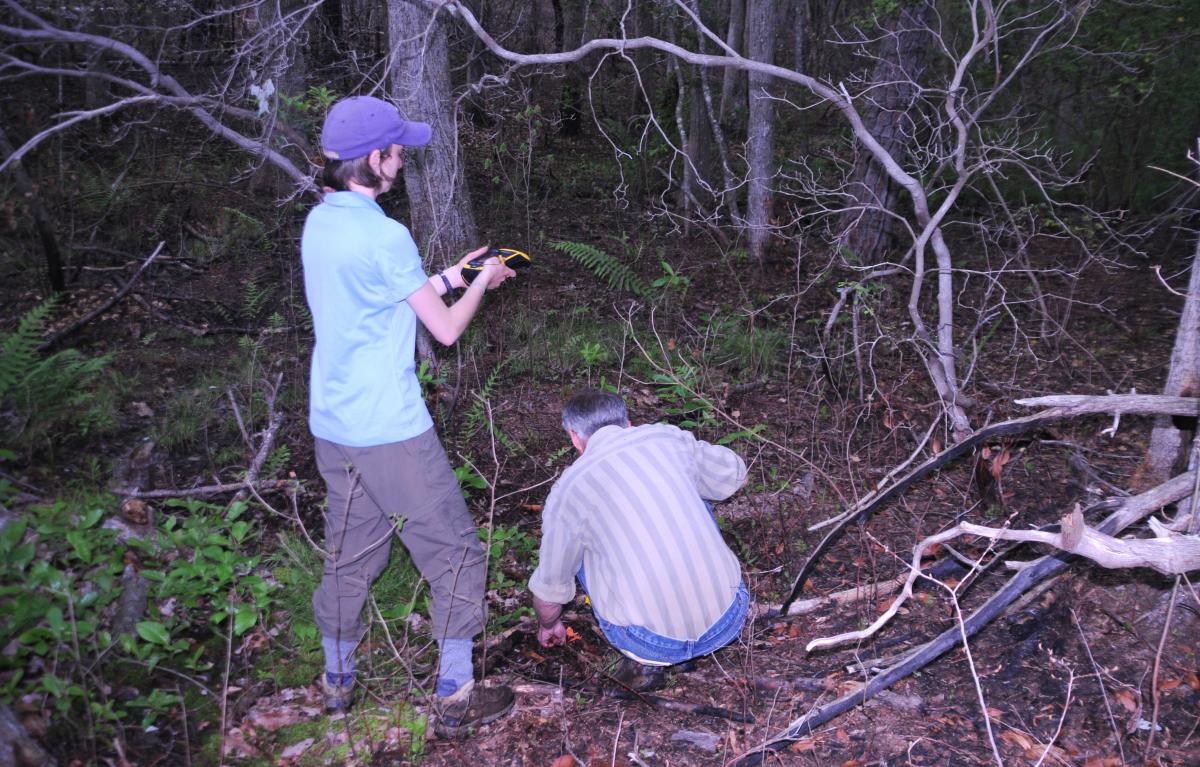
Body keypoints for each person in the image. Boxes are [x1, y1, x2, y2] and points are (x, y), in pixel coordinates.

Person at [301, 95, 516, 736]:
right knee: (454, 551)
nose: (402, 159)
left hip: (333, 424)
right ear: (376, 159)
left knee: (349, 554)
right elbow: (444, 331)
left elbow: (386, 297)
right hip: (389, 428)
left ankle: (337, 682)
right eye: (397, 151)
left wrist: (451, 273)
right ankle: (455, 696)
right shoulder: (385, 233)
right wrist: (484, 281)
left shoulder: (323, 222)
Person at [528, 389, 751, 690]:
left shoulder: (568, 491)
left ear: (574, 437)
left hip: (650, 643)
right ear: (628, 421)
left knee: (577, 551)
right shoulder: (668, 438)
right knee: (699, 489)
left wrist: (549, 624)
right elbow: (737, 475)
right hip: (730, 619)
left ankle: (646, 662)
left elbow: (550, 588)